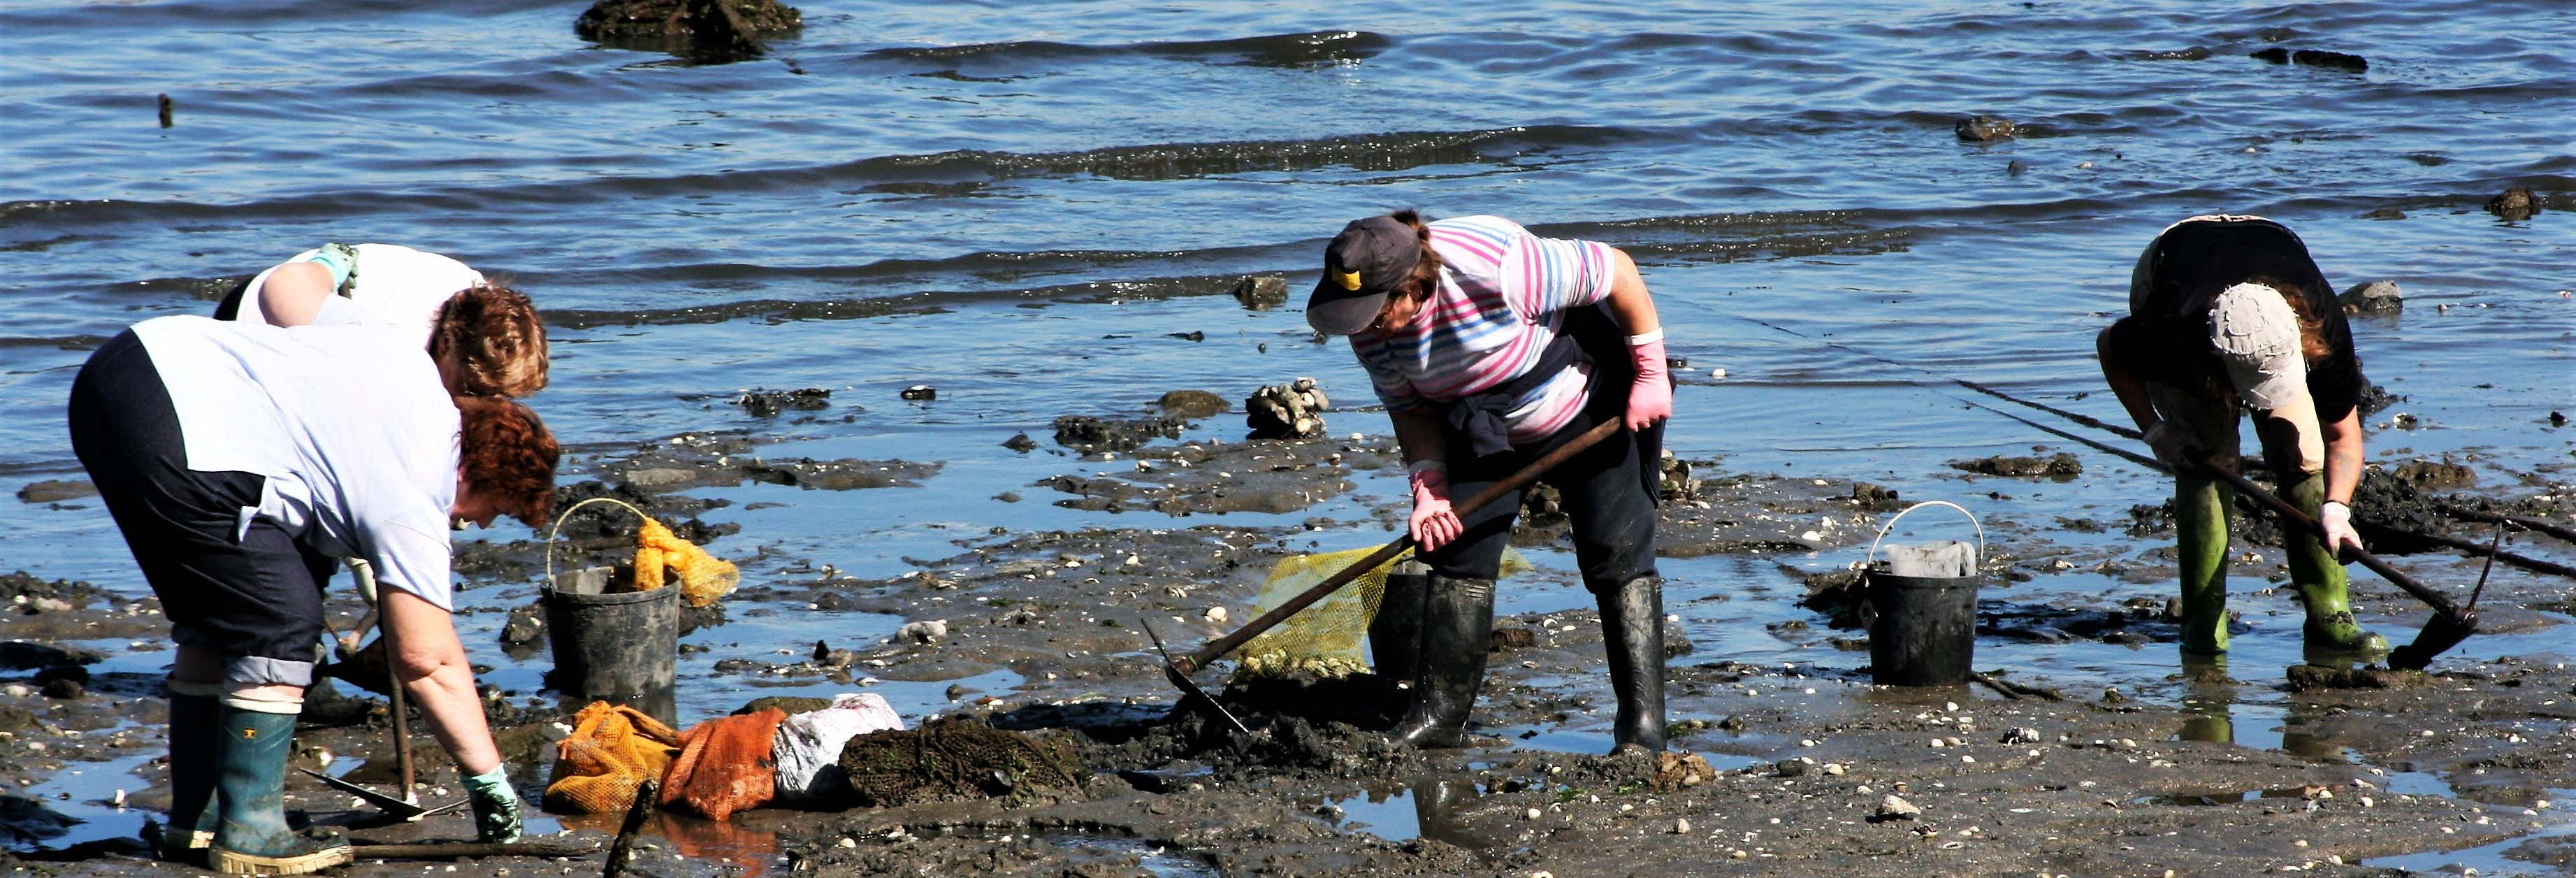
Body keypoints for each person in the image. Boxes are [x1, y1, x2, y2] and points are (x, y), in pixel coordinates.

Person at [66, 315, 558, 873]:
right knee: (281, 624)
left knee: (225, 619)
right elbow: (427, 659)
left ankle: (197, 824)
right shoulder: (421, 483)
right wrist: (490, 782)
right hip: (183, 422)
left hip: (126, 369)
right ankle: (251, 833)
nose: (481, 525)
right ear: (472, 471)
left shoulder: (413, 379)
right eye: (492, 509)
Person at [1309, 210, 1673, 752]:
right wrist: (1428, 489)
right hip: (1477, 427)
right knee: (1458, 556)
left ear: (1412, 288)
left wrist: (1650, 373)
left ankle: (1642, 728)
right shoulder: (1368, 326)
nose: (1364, 326)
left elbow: (1618, 270)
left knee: (1615, 554)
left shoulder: (1499, 266)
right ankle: (1438, 720)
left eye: (1375, 313)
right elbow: (1411, 410)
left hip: (1586, 405)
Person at [2097, 215, 2385, 657]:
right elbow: (2109, 346)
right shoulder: (2175, 332)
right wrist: (2157, 432)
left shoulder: (2322, 327)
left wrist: (2336, 508)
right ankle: (2203, 623)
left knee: (2300, 453)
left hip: (2269, 242)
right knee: (2205, 458)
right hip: (2173, 259)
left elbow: (2342, 437)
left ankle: (2330, 613)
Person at [215, 243, 549, 398]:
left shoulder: (481, 301)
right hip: (258, 319)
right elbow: (283, 287)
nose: (481, 402)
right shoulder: (397, 348)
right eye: (471, 389)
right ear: (447, 343)